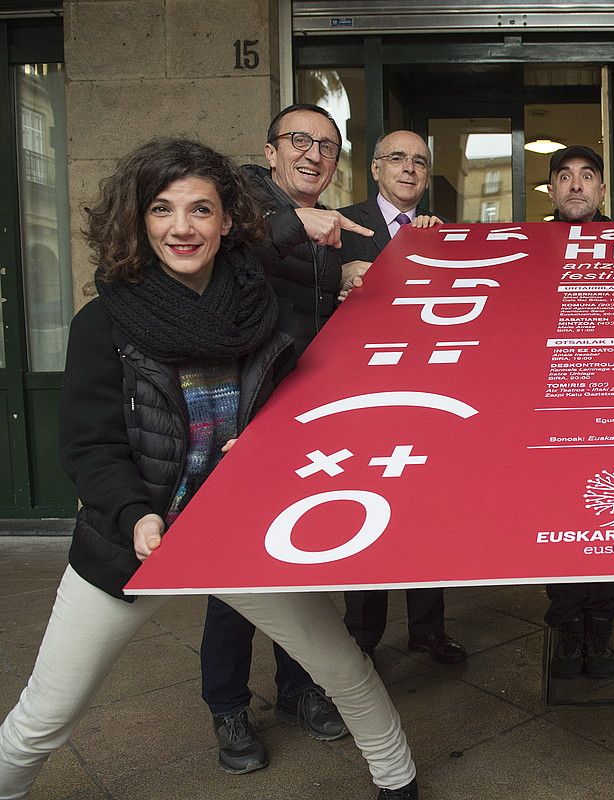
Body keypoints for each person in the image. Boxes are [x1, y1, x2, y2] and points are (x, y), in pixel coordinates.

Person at [0, 138, 418, 800]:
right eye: (162, 210)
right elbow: (89, 446)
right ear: (141, 222)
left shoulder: (260, 309)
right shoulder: (102, 322)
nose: (181, 227)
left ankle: (399, 780)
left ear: (226, 222)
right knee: (44, 717)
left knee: (345, 669)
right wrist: (135, 514)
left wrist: (262, 446)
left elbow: (297, 408)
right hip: (131, 541)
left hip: (235, 531)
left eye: (201, 209)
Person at [200, 102, 375, 773]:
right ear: (270, 152)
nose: (313, 153)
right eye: (299, 140)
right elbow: (214, 250)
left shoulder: (326, 231)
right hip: (238, 425)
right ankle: (228, 708)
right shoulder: (238, 207)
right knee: (233, 575)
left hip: (301, 421)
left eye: (328, 145)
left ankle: (300, 689)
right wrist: (292, 224)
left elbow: (300, 322)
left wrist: (347, 288)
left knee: (299, 557)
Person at [335, 130, 466, 666]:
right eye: (397, 158)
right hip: (359, 393)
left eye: (419, 161)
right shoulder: (340, 225)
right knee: (366, 514)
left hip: (425, 390)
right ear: (374, 168)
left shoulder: (442, 231)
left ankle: (427, 630)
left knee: (422, 515)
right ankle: (362, 639)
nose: (409, 169)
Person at [543, 144, 614, 679]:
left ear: (601, 189)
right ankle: (567, 628)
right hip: (553, 404)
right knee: (560, 523)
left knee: (613, 520)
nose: (576, 185)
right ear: (551, 189)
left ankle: (602, 630)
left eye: (587, 176)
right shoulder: (522, 244)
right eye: (565, 177)